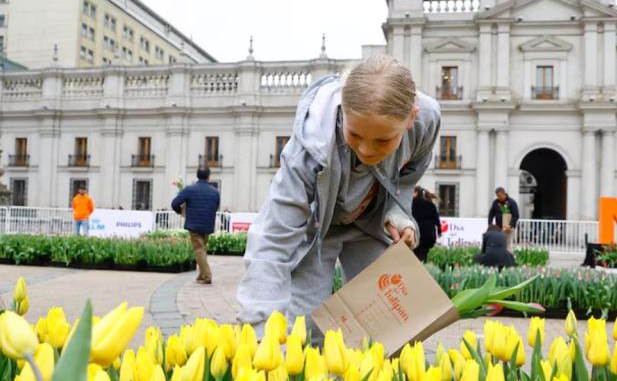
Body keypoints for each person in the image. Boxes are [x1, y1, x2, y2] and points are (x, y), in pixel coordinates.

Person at [236, 55, 441, 333]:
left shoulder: (426, 121)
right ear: (343, 110)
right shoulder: (308, 150)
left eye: (383, 140)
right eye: (355, 135)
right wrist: (258, 330)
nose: (367, 151)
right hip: (319, 226)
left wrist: (398, 213)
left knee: (381, 329)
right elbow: (274, 236)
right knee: (306, 326)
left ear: (411, 118)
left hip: (370, 224)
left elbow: (409, 175)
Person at [172, 168, 221, 284]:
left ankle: (207, 276)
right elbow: (216, 206)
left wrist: (180, 211)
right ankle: (201, 275)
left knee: (199, 250)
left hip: (194, 225)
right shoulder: (215, 191)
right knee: (202, 249)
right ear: (209, 177)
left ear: (197, 176)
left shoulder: (190, 189)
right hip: (207, 225)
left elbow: (174, 203)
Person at [412, 186, 441, 262]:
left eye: (412, 192)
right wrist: (439, 231)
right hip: (429, 233)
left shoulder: (413, 203)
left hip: (419, 232)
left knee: (416, 254)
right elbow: (436, 219)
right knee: (423, 253)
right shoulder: (430, 204)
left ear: (416, 193)